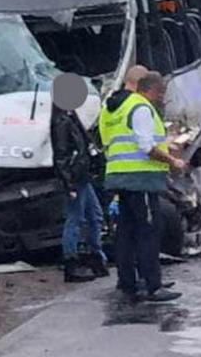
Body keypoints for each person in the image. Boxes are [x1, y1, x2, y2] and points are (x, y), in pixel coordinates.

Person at [101, 71, 185, 302]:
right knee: (148, 231)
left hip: (118, 175)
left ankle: (127, 282)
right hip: (140, 179)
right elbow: (146, 146)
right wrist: (173, 160)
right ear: (151, 89)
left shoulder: (111, 108)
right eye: (161, 92)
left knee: (126, 233)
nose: (162, 98)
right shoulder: (140, 108)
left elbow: (110, 141)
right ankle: (153, 286)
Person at [51, 74, 107, 283]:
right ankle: (72, 262)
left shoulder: (68, 117)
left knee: (94, 216)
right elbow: (61, 155)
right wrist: (69, 183)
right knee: (76, 219)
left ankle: (94, 255)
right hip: (76, 177)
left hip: (81, 176)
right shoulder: (62, 122)